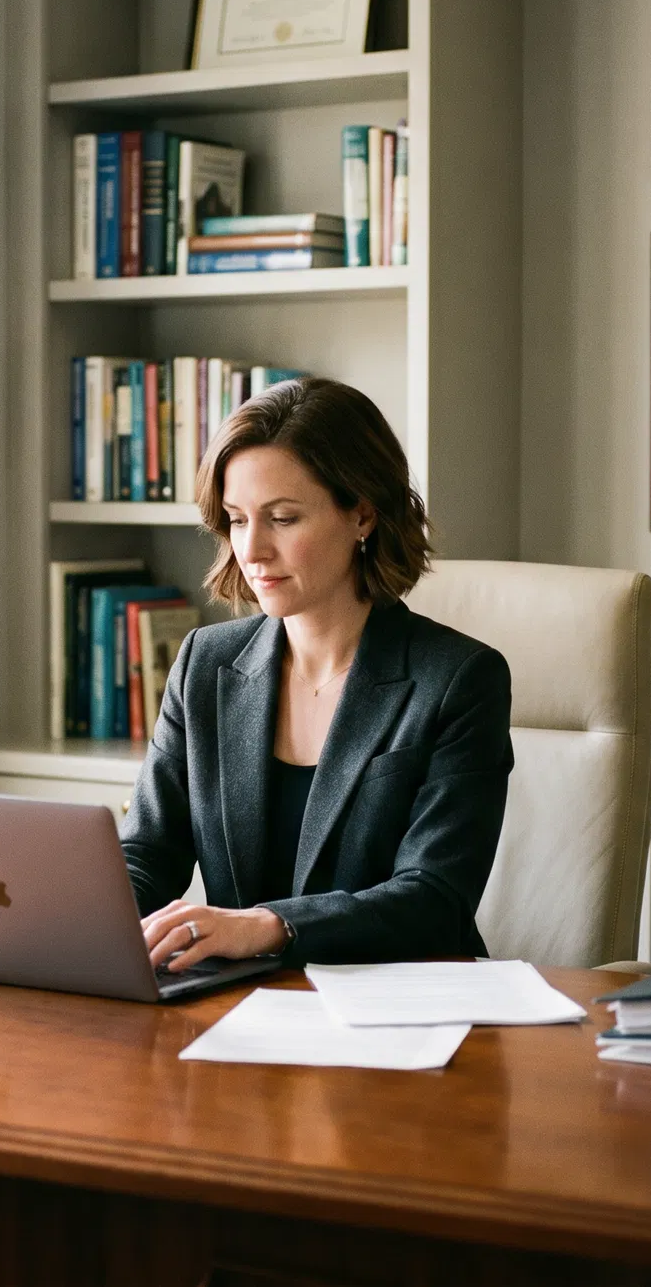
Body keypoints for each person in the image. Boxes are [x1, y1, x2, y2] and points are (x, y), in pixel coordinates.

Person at [122, 377, 514, 971]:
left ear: (362, 513)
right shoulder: (205, 663)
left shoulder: (458, 681)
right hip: (242, 1009)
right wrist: (82, 921)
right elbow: (149, 853)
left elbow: (434, 899)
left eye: (281, 518)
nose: (251, 550)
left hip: (400, 1012)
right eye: (235, 519)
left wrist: (269, 927)